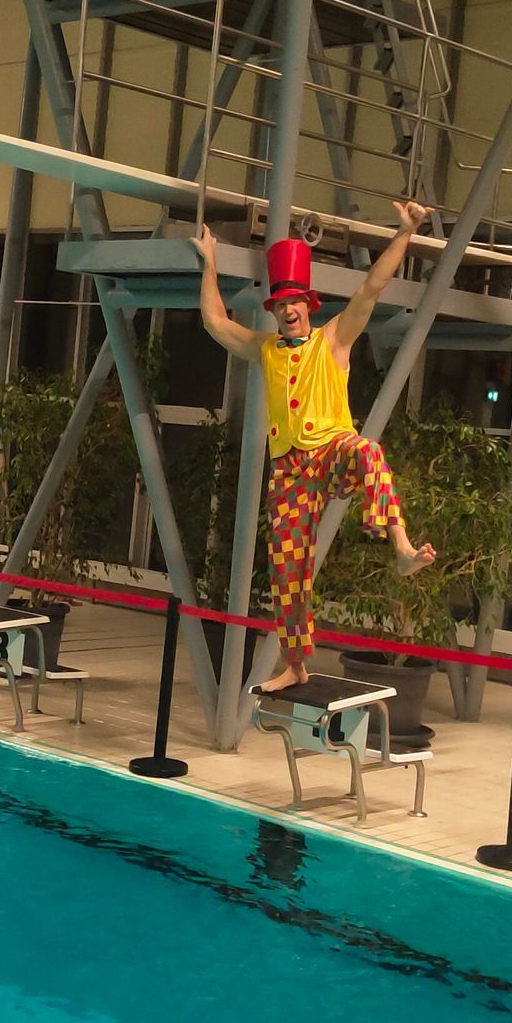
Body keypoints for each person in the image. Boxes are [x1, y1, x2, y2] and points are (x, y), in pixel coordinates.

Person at [190, 207, 437, 691]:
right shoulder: (265, 348)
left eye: (295, 302)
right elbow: (216, 322)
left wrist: (405, 232)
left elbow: (372, 288)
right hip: (290, 471)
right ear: (274, 310)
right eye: (280, 304)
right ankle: (295, 664)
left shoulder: (334, 339)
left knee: (367, 450)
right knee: (287, 568)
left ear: (308, 303)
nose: (288, 310)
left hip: (331, 450)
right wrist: (210, 264)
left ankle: (402, 546)